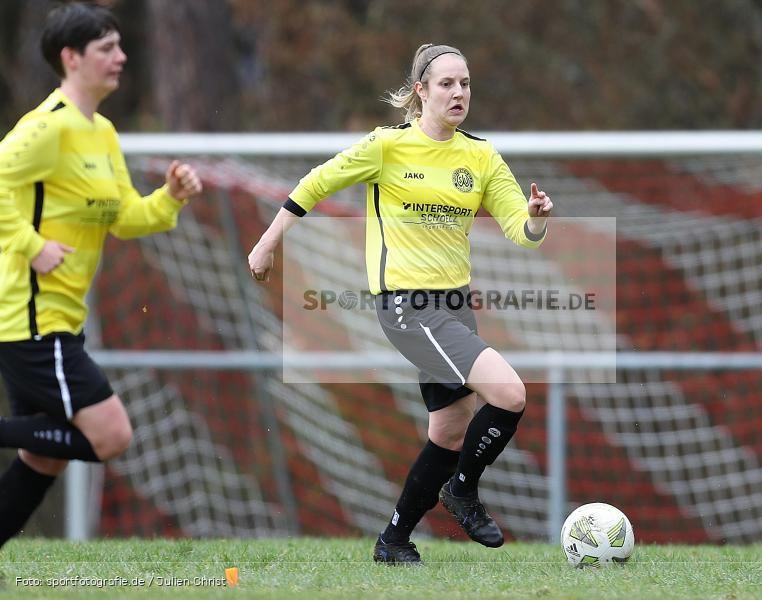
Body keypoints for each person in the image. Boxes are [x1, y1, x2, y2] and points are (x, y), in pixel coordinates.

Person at [248, 43, 552, 564]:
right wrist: (268, 241)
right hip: (409, 306)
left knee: (449, 431)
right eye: (446, 84)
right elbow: (316, 183)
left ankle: (393, 540)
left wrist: (536, 218)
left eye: (465, 83)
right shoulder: (387, 146)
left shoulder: (481, 156)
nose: (458, 93)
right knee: (509, 394)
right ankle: (462, 492)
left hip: (455, 306)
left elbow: (520, 231)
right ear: (421, 91)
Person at [0, 2, 202, 548]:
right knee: (110, 435)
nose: (121, 57)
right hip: (30, 318)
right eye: (106, 48)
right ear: (71, 57)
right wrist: (31, 246)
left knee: (44, 456)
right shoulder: (47, 127)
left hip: (59, 318)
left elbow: (125, 218)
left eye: (119, 45)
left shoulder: (103, 132)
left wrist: (170, 196)